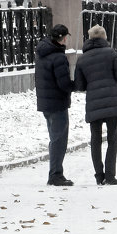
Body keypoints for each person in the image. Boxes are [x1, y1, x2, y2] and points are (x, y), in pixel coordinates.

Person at [75, 24, 117, 185]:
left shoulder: (82, 59)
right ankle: (110, 175)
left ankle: (98, 175)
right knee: (112, 139)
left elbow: (80, 86)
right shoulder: (111, 53)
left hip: (93, 104)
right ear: (104, 38)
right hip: (112, 102)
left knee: (95, 140)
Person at [34, 23, 75, 186]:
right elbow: (64, 84)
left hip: (45, 102)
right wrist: (77, 84)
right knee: (59, 140)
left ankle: (55, 173)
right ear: (62, 38)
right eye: (66, 37)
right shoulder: (58, 57)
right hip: (57, 103)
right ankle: (55, 175)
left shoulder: (42, 53)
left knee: (54, 138)